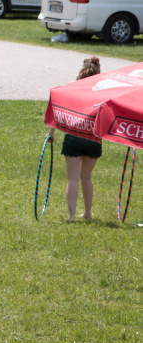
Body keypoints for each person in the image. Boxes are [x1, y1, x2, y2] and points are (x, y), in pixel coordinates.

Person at [47, 56, 102, 221]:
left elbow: (59, 111)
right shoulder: (102, 92)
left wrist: (51, 134)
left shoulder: (72, 89)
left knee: (72, 178)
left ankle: (71, 216)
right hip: (93, 139)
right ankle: (87, 214)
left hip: (73, 137)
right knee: (86, 177)